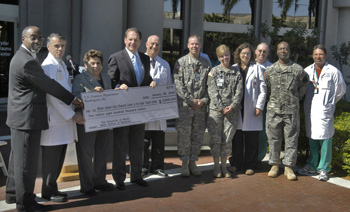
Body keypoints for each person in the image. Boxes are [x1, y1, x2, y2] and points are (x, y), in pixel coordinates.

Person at [5, 26, 82, 212]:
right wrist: (72, 99)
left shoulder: (26, 57)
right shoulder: (27, 61)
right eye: (33, 37)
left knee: (18, 160)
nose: (37, 41)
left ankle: (13, 194)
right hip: (27, 118)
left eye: (39, 37)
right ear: (23, 38)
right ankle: (25, 203)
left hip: (21, 117)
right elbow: (48, 85)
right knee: (26, 164)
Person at [108, 28, 156, 190]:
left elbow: (146, 79)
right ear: (125, 40)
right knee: (120, 146)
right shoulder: (116, 57)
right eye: (130, 39)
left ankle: (136, 176)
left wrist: (152, 82)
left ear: (141, 42)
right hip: (122, 109)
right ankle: (119, 178)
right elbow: (111, 81)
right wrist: (117, 86)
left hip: (139, 109)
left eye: (136, 40)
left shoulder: (144, 58)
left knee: (137, 145)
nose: (132, 42)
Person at [40, 33, 85, 202]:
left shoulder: (61, 64)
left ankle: (53, 189)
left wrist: (75, 103)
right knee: (51, 160)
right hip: (55, 122)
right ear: (49, 46)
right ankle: (47, 191)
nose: (60, 49)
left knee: (59, 158)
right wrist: (72, 114)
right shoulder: (48, 67)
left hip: (62, 121)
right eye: (57, 46)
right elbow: (52, 98)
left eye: (62, 46)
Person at [298, 44, 346, 181]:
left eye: (321, 54)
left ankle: (324, 168)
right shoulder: (307, 71)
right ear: (312, 56)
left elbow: (341, 90)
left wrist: (330, 104)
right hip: (311, 110)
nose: (318, 57)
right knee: (312, 138)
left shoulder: (333, 71)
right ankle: (312, 165)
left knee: (325, 140)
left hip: (325, 111)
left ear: (325, 55)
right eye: (316, 54)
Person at [72, 49, 115, 196]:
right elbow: (75, 97)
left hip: (103, 120)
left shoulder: (106, 78)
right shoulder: (80, 78)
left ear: (102, 65)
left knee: (102, 151)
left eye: (98, 63)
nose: (95, 66)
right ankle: (87, 186)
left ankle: (100, 181)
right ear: (86, 64)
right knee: (86, 153)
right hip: (86, 121)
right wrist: (91, 94)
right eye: (92, 63)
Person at [264, 41, 309, 181]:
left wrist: (294, 99)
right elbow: (267, 89)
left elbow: (303, 87)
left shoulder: (298, 70)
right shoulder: (270, 70)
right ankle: (275, 164)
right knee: (274, 139)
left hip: (291, 111)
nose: (283, 50)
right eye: (280, 48)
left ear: (289, 51)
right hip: (274, 111)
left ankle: (289, 167)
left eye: (286, 48)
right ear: (277, 51)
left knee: (291, 139)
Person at [173, 35, 211, 177]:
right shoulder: (180, 62)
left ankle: (193, 162)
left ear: (200, 45)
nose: (194, 46)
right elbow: (178, 84)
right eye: (192, 44)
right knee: (184, 135)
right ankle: (184, 163)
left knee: (197, 136)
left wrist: (204, 100)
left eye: (197, 44)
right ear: (188, 45)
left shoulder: (206, 63)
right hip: (185, 108)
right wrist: (189, 100)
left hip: (200, 108)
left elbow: (210, 85)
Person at [228, 43, 266, 175]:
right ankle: (236, 163)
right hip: (237, 108)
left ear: (252, 55)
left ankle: (251, 164)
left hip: (251, 109)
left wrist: (259, 106)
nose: (246, 56)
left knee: (251, 139)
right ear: (239, 54)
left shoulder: (258, 68)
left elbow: (263, 90)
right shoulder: (233, 68)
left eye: (248, 53)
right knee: (237, 139)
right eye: (243, 53)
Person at [207, 44, 243, 178]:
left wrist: (232, 106)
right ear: (218, 57)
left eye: (226, 55)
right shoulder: (214, 71)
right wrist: (221, 106)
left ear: (230, 55)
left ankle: (224, 166)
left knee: (227, 139)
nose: (224, 58)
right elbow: (212, 90)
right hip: (216, 111)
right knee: (216, 139)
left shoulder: (236, 72)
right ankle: (216, 167)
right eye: (221, 56)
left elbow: (239, 92)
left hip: (231, 112)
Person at [142, 35, 172, 177]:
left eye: (157, 44)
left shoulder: (165, 64)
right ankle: (142, 167)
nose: (154, 47)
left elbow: (169, 86)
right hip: (144, 108)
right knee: (143, 140)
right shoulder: (139, 61)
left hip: (160, 110)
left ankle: (157, 167)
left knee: (158, 140)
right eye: (152, 44)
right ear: (146, 44)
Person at [255, 43, 272, 167]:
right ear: (255, 51)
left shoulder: (271, 68)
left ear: (268, 53)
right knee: (248, 133)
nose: (262, 53)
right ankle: (247, 156)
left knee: (262, 134)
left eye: (264, 51)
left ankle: (259, 158)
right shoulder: (249, 65)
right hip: (249, 105)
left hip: (266, 105)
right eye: (260, 51)